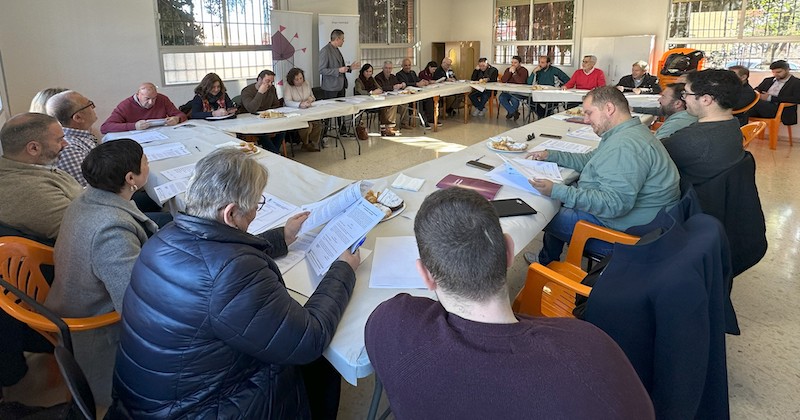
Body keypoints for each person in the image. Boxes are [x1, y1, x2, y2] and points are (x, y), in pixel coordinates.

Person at [110, 148, 360, 419]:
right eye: (256, 205)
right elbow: (308, 338)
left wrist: (282, 237)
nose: (255, 212)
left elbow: (214, 254)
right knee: (323, 361)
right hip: (197, 409)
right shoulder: (234, 273)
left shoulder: (165, 236)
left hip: (149, 399)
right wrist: (343, 270)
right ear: (230, 213)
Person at [365, 187, 655, 419]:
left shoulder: (390, 327)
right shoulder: (592, 353)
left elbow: (407, 309)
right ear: (509, 251)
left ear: (426, 275)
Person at [45, 139, 157, 407]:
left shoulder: (89, 197)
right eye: (145, 161)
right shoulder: (111, 231)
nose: (149, 164)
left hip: (75, 295)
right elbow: (132, 305)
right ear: (130, 178)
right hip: (97, 328)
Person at [524, 87, 680, 266]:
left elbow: (613, 205)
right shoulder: (627, 132)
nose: (585, 120)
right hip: (640, 222)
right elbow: (590, 160)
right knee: (557, 200)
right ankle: (547, 262)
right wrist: (551, 155)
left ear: (609, 108)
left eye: (589, 113)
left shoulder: (624, 146)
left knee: (540, 214)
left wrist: (557, 191)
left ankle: (546, 264)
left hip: (627, 237)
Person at [0, 113, 82, 240]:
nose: (66, 144)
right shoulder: (30, 190)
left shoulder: (32, 168)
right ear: (33, 148)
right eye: (59, 140)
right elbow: (84, 231)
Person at [662, 69, 745, 187]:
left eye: (686, 93)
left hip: (686, 194)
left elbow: (648, 156)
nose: (684, 98)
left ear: (706, 99)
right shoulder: (733, 126)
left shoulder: (692, 138)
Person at [45, 90, 98, 186]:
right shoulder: (69, 149)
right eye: (89, 104)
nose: (93, 107)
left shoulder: (82, 137)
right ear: (78, 118)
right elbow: (91, 186)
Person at [100, 82, 186, 133]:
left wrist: (177, 119)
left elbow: (181, 115)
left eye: (154, 98)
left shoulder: (162, 99)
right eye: (147, 99)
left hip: (161, 135)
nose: (151, 102)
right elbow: (105, 127)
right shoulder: (126, 105)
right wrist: (134, 126)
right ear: (138, 95)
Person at [239, 69, 287, 153]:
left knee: (283, 126)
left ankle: (273, 152)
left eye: (271, 82)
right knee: (262, 130)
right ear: (259, 79)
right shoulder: (246, 91)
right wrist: (260, 92)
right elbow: (251, 108)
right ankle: (274, 152)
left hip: (266, 118)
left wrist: (269, 112)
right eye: (267, 81)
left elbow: (276, 105)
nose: (269, 84)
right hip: (250, 119)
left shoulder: (271, 89)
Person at [749, 60, 800, 127]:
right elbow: (757, 90)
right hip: (761, 107)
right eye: (773, 72)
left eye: (779, 72)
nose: (775, 74)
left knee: (751, 104)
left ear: (787, 70)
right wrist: (758, 94)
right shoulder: (768, 80)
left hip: (779, 110)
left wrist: (770, 98)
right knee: (742, 108)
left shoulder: (796, 82)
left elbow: (797, 99)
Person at [283, 67, 323, 152]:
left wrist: (310, 100)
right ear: (292, 80)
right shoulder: (288, 86)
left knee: (318, 124)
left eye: (301, 78)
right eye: (296, 79)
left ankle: (311, 142)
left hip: (308, 109)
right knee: (308, 126)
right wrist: (299, 104)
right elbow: (287, 102)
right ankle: (306, 143)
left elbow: (312, 96)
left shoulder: (306, 83)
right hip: (294, 111)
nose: (300, 81)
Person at [354, 63, 399, 137]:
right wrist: (371, 93)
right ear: (363, 71)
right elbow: (359, 91)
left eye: (370, 71)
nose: (368, 73)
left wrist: (379, 91)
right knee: (382, 107)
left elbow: (379, 88)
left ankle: (386, 128)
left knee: (385, 106)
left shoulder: (372, 79)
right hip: (364, 103)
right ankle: (384, 129)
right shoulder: (358, 80)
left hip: (374, 101)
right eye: (367, 71)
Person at [396, 58, 438, 128]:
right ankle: (423, 121)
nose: (408, 67)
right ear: (402, 66)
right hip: (408, 96)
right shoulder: (399, 74)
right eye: (406, 65)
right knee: (420, 101)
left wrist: (424, 81)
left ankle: (430, 119)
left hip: (417, 92)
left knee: (429, 98)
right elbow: (405, 84)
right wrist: (416, 84)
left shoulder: (412, 72)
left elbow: (418, 80)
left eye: (409, 65)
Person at [319, 29, 359, 99]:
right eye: (342, 39)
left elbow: (340, 67)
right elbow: (322, 70)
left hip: (341, 86)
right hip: (331, 88)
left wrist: (350, 68)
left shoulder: (336, 49)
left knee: (342, 106)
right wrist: (338, 70)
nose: (343, 41)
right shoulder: (325, 50)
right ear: (337, 39)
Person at [498, 55, 529, 121]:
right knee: (501, 97)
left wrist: (514, 73)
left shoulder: (524, 70)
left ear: (520, 63)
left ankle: (511, 112)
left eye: (515, 63)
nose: (513, 64)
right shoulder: (508, 69)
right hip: (509, 91)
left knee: (514, 99)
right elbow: (503, 80)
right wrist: (509, 72)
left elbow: (521, 82)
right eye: (512, 62)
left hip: (519, 92)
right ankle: (514, 112)